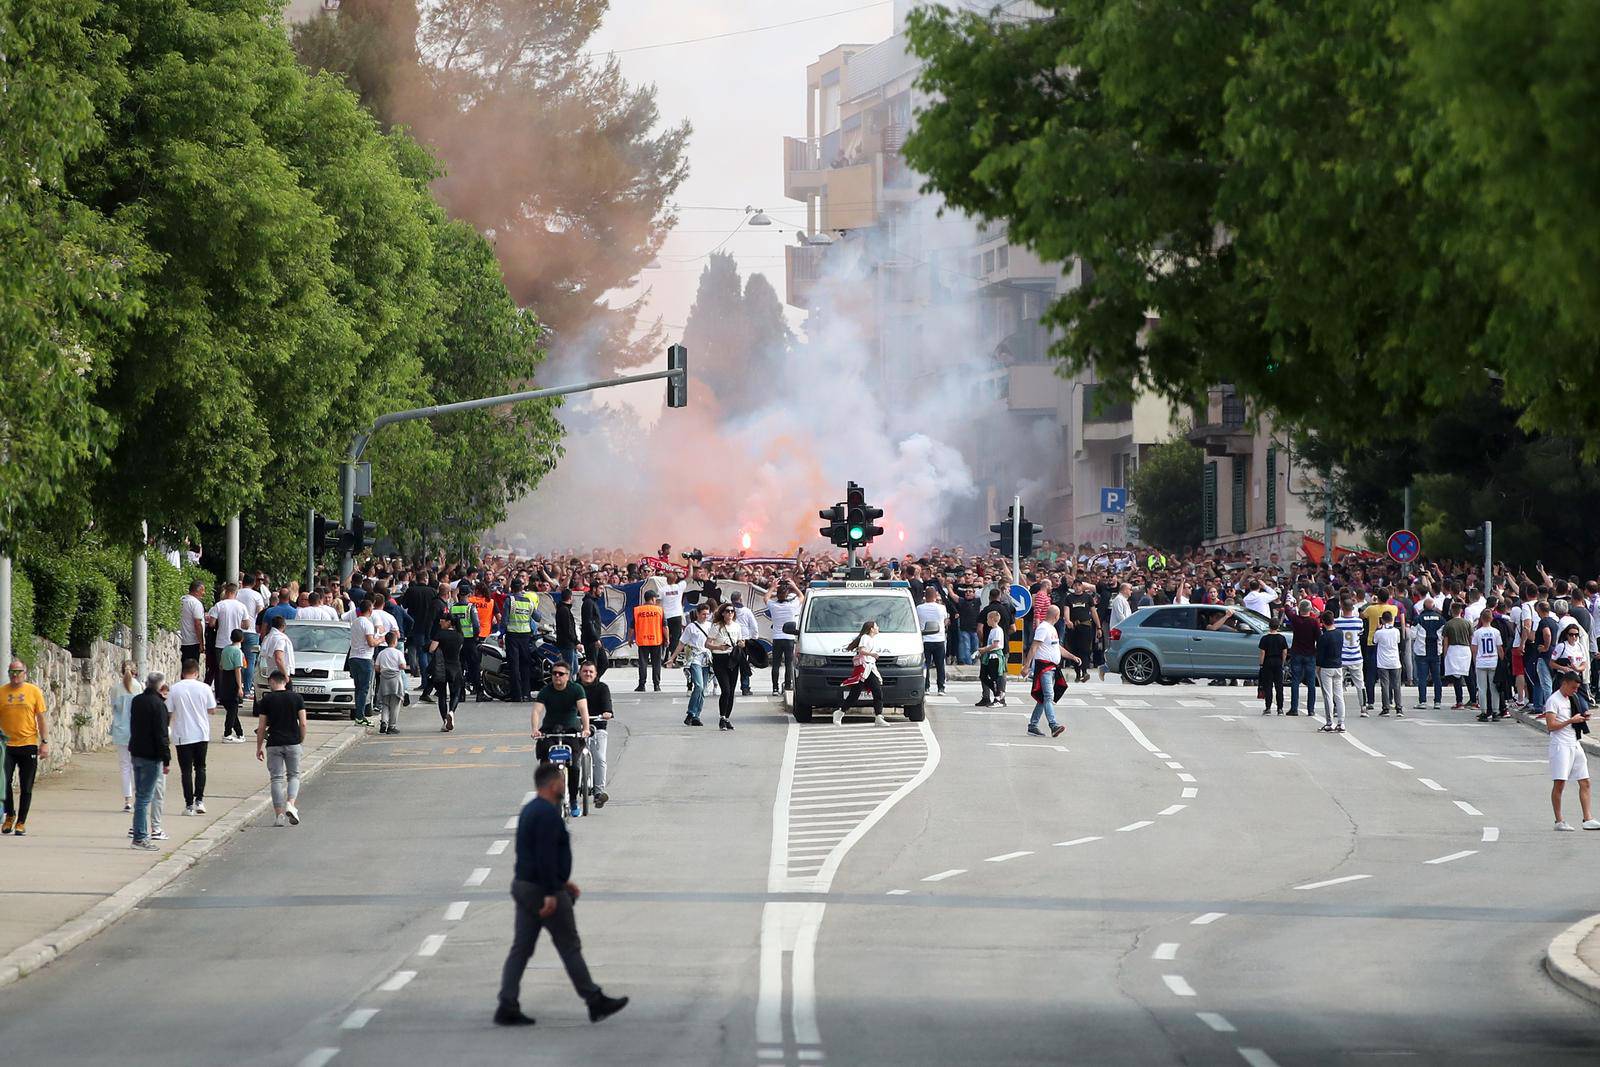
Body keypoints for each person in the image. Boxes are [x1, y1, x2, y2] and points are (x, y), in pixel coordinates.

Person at [494, 762, 629, 1027]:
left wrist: (564, 883)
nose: (564, 786)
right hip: (543, 891)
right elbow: (545, 857)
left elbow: (533, 855)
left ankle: (506, 1004)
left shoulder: (531, 810)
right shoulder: (546, 813)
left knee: (521, 948)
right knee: (569, 946)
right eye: (562, 782)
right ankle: (594, 1000)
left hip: (525, 885)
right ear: (554, 784)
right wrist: (553, 893)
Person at [531, 663, 590, 816]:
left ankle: (573, 802)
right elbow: (537, 712)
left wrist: (585, 729)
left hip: (571, 730)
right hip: (550, 730)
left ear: (568, 676)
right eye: (554, 673)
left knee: (574, 766)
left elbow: (583, 710)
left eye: (561, 674)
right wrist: (535, 730)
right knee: (545, 760)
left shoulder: (576, 689)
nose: (557, 676)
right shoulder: (546, 691)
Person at [1542, 670, 1599, 831]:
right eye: (1573, 687)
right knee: (1560, 783)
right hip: (1560, 745)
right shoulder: (1554, 700)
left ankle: (1587, 817)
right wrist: (1570, 721)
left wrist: (1581, 718)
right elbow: (1551, 726)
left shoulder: (1572, 698)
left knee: (1585, 780)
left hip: (1574, 742)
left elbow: (1576, 714)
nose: (1575, 691)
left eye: (1576, 688)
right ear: (1564, 683)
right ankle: (1559, 820)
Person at [1, 660, 49, 836]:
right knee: (4, 782)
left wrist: (44, 742)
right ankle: (9, 816)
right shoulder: (2, 692)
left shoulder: (33, 691)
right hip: (7, 745)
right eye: (12, 672)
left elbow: (41, 718)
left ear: (25, 672)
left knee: (26, 785)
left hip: (28, 744)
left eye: (18, 672)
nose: (15, 676)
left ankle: (21, 821)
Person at [255, 669, 307, 827]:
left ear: (271, 681)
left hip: (274, 743)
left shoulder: (266, 700)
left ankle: (279, 815)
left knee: (276, 779)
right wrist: (300, 739)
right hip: (293, 742)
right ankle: (291, 803)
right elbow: (303, 723)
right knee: (294, 776)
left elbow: (262, 726)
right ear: (286, 681)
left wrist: (259, 747)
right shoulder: (297, 698)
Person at [128, 671, 171, 850]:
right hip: (151, 755)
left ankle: (139, 833)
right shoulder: (158, 705)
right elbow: (161, 734)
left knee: (140, 796)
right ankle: (140, 837)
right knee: (145, 798)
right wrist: (166, 758)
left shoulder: (137, 701)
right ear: (161, 687)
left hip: (136, 751)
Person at [167, 659, 215, 815]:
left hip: (183, 734)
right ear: (196, 672)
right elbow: (212, 709)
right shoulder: (205, 688)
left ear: (182, 672)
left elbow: (169, 710)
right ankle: (199, 800)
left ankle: (188, 805)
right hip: (201, 733)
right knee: (201, 767)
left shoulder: (174, 689)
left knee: (186, 771)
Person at [1024, 605, 1074, 738]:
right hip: (1044, 668)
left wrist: (1072, 657)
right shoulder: (1043, 628)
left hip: (1052, 668)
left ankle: (1033, 725)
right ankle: (1053, 725)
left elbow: (1057, 647)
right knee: (1048, 696)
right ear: (1057, 616)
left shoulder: (1051, 629)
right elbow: (1034, 647)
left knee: (1043, 698)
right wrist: (1026, 666)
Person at [836, 621, 886, 726]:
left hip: (871, 668)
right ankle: (840, 713)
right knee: (855, 694)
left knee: (877, 691)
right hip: (864, 668)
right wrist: (872, 654)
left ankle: (878, 716)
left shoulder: (872, 639)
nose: (878, 628)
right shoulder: (865, 637)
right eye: (876, 626)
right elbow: (861, 650)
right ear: (871, 629)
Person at [577, 662, 612, 808]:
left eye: (591, 672)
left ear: (596, 673)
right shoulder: (574, 688)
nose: (588, 674)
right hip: (577, 728)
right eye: (585, 671)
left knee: (599, 758)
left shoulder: (602, 688)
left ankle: (599, 793)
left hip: (597, 727)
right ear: (580, 673)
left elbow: (608, 706)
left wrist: (607, 713)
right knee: (573, 760)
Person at [706, 604, 743, 731]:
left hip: (733, 658)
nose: (730, 613)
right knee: (725, 690)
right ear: (723, 613)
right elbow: (707, 643)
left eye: (732, 611)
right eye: (727, 611)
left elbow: (740, 640)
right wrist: (718, 647)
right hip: (720, 658)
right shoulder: (717, 627)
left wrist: (741, 644)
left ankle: (727, 718)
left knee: (732, 691)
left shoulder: (737, 626)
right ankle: (722, 717)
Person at [676, 602, 712, 726]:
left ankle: (696, 715)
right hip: (695, 658)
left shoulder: (711, 626)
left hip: (706, 659)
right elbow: (681, 643)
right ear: (697, 614)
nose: (705, 616)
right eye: (703, 614)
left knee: (704, 690)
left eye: (707, 614)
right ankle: (691, 712)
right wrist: (672, 657)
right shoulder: (691, 627)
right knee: (699, 686)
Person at [504, 579, 539, 703]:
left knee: (514, 666)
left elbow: (505, 620)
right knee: (525, 665)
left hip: (512, 635)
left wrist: (503, 632)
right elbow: (537, 617)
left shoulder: (509, 600)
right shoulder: (529, 601)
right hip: (526, 636)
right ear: (521, 588)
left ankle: (516, 695)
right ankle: (526, 693)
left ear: (512, 589)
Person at [347, 599, 381, 727]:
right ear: (370, 610)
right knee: (364, 688)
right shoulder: (367, 624)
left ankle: (358, 714)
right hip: (364, 658)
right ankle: (360, 716)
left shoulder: (355, 622)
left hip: (353, 657)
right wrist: (380, 639)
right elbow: (371, 642)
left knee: (358, 687)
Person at [430, 611, 465, 732]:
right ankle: (452, 712)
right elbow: (459, 650)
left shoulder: (440, 634)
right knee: (456, 693)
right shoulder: (460, 635)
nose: (440, 622)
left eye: (443, 620)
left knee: (442, 695)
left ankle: (445, 720)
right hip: (455, 667)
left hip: (441, 668)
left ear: (449, 622)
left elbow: (432, 649)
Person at [112, 661, 139, 812]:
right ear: (135, 671)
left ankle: (127, 799)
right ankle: (138, 798)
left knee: (124, 766)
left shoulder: (116, 688)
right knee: (136, 765)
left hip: (120, 730)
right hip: (135, 730)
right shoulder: (138, 686)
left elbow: (114, 707)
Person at [1286, 600, 1320, 717]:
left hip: (1297, 652)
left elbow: (1288, 611)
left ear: (1300, 609)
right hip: (1310, 653)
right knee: (1311, 682)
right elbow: (1318, 637)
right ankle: (1311, 709)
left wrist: (1288, 603)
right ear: (1310, 610)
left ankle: (1294, 708)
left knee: (1295, 680)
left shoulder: (1295, 620)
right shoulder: (1314, 622)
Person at [1471, 610, 1506, 722]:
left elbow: (1474, 649)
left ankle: (1484, 711)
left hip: (1481, 662)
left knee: (1482, 688)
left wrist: (1475, 661)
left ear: (1481, 619)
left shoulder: (1477, 632)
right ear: (1491, 618)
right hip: (1493, 661)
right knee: (1494, 688)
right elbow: (1500, 648)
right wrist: (1502, 660)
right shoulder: (1496, 632)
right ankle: (1495, 711)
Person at [1315, 610, 1346, 733]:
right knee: (1339, 695)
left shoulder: (1323, 637)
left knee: (1328, 695)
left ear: (1323, 622)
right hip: (1338, 666)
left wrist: (1318, 668)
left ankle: (1329, 722)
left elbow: (1320, 656)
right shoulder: (1340, 633)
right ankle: (1341, 722)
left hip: (1326, 668)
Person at [767, 581, 801, 693]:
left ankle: (775, 688)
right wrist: (794, 586)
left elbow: (766, 597)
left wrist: (772, 587)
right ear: (787, 594)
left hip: (777, 638)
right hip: (789, 638)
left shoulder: (773, 605)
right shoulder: (792, 606)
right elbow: (802, 596)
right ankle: (787, 685)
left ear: (777, 595)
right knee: (788, 664)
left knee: (776, 664)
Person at [916, 587, 950, 695]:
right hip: (939, 639)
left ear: (925, 596)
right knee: (940, 665)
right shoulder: (941, 608)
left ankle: (926, 687)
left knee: (925, 665)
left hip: (925, 639)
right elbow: (945, 620)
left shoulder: (919, 608)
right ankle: (941, 687)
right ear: (935, 596)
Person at [1414, 595, 1446, 710]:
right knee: (1437, 678)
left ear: (1423, 607)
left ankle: (1422, 701)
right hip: (1436, 651)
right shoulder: (1441, 619)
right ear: (1434, 607)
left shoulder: (1418, 619)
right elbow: (1443, 635)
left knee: (1422, 678)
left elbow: (1413, 635)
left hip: (1422, 651)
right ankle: (1437, 701)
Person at [1440, 602, 1474, 709]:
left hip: (1453, 649)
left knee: (1456, 678)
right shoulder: (1467, 623)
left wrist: (1445, 655)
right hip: (1466, 649)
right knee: (1469, 676)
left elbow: (1445, 641)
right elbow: (1471, 639)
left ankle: (1459, 701)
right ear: (1461, 611)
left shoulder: (1448, 624)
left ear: (1451, 611)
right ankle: (1473, 700)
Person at [217, 628, 247, 742]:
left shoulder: (225, 649)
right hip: (233, 681)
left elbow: (221, 665)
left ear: (231, 638)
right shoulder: (238, 651)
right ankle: (227, 733)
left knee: (231, 710)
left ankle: (240, 733)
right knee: (233, 708)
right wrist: (240, 687)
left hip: (224, 679)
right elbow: (237, 669)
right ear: (242, 639)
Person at [632, 589, 665, 693]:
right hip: (656, 640)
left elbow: (632, 627)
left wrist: (629, 639)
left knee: (643, 663)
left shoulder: (637, 610)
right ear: (652, 598)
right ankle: (657, 685)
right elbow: (665, 627)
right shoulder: (659, 610)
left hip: (643, 640)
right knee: (656, 663)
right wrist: (667, 639)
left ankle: (642, 685)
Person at [376, 631, 408, 734]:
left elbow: (377, 667)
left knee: (385, 703)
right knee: (395, 704)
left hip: (384, 679)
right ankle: (391, 726)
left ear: (385, 641)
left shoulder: (382, 653)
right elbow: (403, 666)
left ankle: (384, 722)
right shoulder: (398, 653)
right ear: (395, 641)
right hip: (395, 680)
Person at [975, 608, 1008, 708]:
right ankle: (997, 692)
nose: (987, 621)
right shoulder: (992, 630)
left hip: (995, 656)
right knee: (984, 676)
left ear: (993, 619)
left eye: (988, 619)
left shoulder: (998, 630)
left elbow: (995, 645)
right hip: (989, 655)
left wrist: (984, 649)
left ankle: (998, 697)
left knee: (995, 677)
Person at [1373, 614, 1403, 716]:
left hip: (1382, 662)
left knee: (1385, 685)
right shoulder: (1396, 631)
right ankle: (1399, 708)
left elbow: (1374, 641)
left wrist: (1377, 629)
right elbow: (1398, 641)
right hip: (1395, 661)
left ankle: (1386, 708)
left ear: (1382, 620)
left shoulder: (1379, 633)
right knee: (1397, 685)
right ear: (1391, 619)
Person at [1258, 617, 1288, 715]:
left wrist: (1261, 664)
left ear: (1269, 626)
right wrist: (1282, 662)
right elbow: (1284, 652)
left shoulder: (1265, 638)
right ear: (1278, 626)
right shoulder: (1282, 638)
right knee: (1279, 686)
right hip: (1278, 661)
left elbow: (1262, 652)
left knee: (1268, 686)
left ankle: (1268, 707)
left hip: (1268, 662)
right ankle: (1280, 708)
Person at [731, 592, 759, 696]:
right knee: (745, 665)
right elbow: (754, 626)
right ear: (740, 599)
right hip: (744, 640)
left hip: (732, 640)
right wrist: (754, 638)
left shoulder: (728, 611)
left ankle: (730, 687)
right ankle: (745, 687)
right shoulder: (747, 611)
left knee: (732, 665)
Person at [179, 580, 207, 669]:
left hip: (182, 639)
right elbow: (197, 624)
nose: (204, 593)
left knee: (184, 667)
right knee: (192, 668)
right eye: (202, 590)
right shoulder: (195, 603)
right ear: (197, 590)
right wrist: (201, 643)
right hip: (192, 641)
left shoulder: (182, 599)